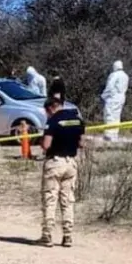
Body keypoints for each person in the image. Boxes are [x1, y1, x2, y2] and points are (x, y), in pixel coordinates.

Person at [39, 96, 85, 248]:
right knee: (67, 200)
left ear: (51, 107)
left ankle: (47, 235)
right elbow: (81, 143)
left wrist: (42, 141)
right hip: (71, 163)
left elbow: (46, 145)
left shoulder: (53, 121)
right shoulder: (77, 119)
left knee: (50, 198)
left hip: (55, 162)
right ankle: (68, 236)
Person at [101, 60, 129, 142]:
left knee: (109, 115)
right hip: (121, 98)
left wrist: (103, 96)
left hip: (112, 98)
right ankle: (115, 134)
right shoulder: (125, 76)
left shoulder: (114, 75)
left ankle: (108, 135)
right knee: (117, 116)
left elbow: (109, 87)